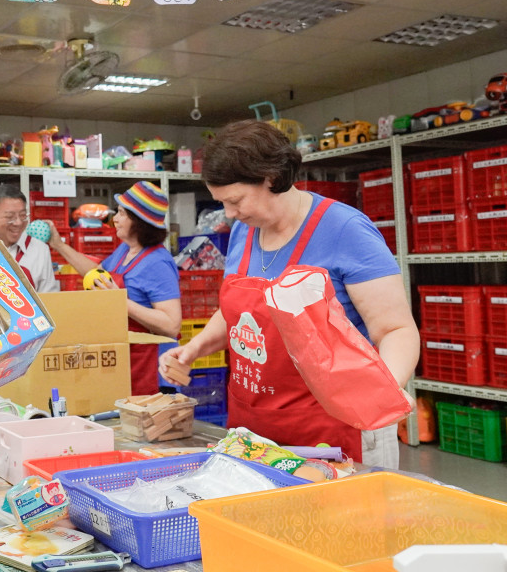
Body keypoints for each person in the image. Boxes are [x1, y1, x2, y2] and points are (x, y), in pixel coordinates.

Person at [159, 119, 419, 466]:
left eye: (235, 200)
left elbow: (395, 329)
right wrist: (194, 348)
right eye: (222, 202)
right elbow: (237, 313)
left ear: (271, 178)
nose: (229, 214)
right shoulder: (244, 232)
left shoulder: (345, 230)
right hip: (257, 428)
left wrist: (384, 390)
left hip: (334, 427)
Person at [47, 181, 181, 396]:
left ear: (139, 222)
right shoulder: (125, 250)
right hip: (122, 360)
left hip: (147, 370)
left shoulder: (157, 263)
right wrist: (59, 245)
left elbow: (171, 325)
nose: (115, 219)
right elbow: (97, 275)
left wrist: (117, 300)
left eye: (121, 214)